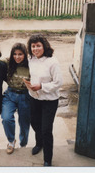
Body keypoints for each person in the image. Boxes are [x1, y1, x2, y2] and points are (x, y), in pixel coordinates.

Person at [24, 34, 63, 167]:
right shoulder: (31, 59)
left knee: (46, 129)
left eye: (38, 46)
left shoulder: (53, 61)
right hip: (34, 98)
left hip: (49, 100)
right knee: (35, 123)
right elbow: (13, 59)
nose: (35, 49)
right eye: (33, 46)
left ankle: (48, 159)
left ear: (44, 46)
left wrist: (41, 86)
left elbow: (58, 83)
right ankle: (39, 143)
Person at [1, 43, 31, 154]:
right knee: (6, 118)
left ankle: (23, 144)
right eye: (15, 54)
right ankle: (11, 141)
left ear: (25, 54)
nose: (17, 57)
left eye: (20, 54)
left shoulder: (30, 64)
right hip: (10, 95)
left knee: (24, 123)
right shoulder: (8, 62)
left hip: (26, 96)